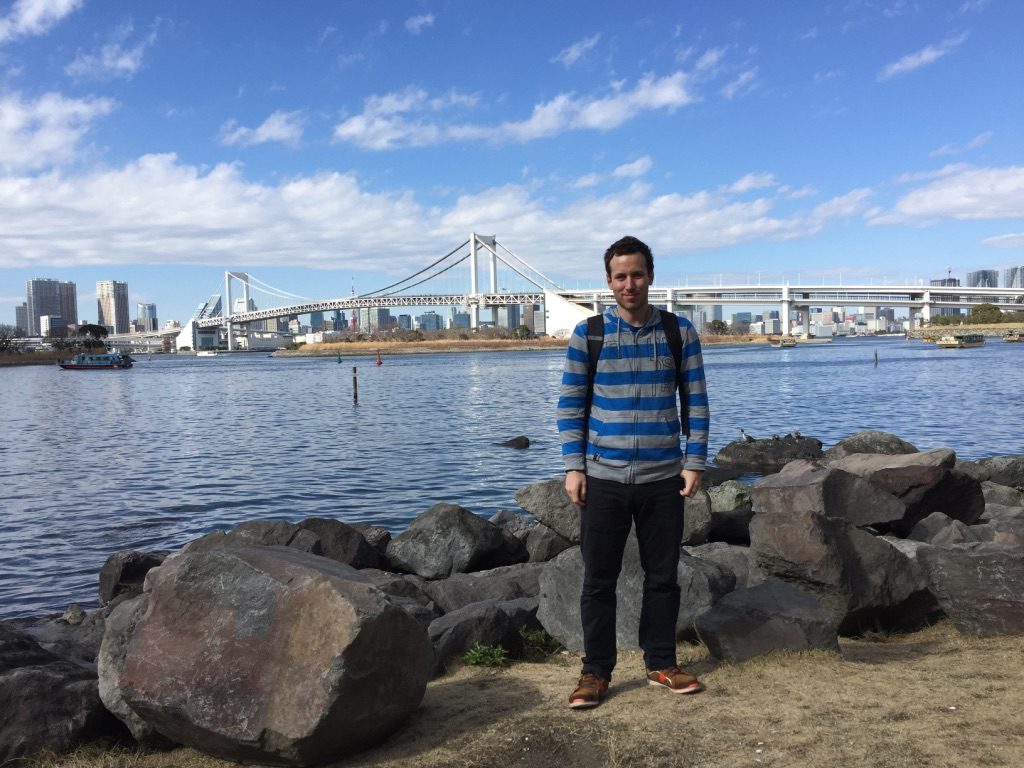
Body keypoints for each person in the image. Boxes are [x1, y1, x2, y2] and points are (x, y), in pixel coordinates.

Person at [556, 235, 710, 709]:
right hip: (603, 478)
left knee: (663, 576)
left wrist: (695, 460)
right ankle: (595, 672)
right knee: (598, 580)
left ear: (651, 277)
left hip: (664, 478)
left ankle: (661, 662)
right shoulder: (590, 334)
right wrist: (573, 466)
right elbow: (571, 404)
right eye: (620, 276)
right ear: (608, 282)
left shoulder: (677, 332)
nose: (629, 284)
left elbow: (697, 401)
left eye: (637, 274)